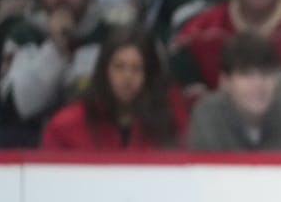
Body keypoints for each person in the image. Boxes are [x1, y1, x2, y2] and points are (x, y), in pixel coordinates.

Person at [0, 0, 109, 146]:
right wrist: (56, 48)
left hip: (97, 146)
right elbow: (19, 107)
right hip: (32, 150)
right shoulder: (23, 34)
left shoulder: (109, 36)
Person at [40, 23, 187, 149]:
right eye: (119, 67)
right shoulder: (65, 127)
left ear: (150, 75)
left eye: (137, 68)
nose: (127, 77)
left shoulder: (170, 122)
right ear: (104, 70)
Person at [187, 31, 281, 151]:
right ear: (225, 82)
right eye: (246, 74)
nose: (258, 84)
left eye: (266, 73)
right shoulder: (207, 114)